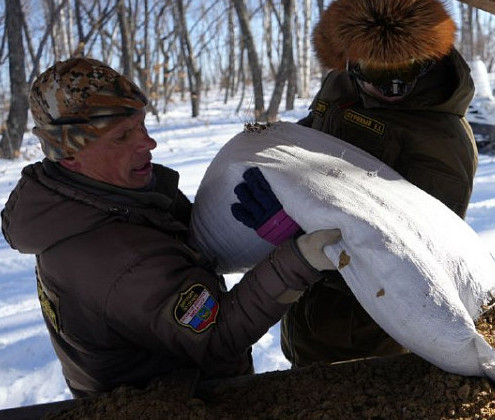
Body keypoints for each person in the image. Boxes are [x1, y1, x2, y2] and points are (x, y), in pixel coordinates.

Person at [0, 57, 340, 398]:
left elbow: (179, 254)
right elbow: (217, 336)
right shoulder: (114, 256)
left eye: (142, 124)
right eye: (122, 136)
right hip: (177, 405)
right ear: (70, 153)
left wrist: (259, 231)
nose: (148, 143)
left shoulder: (95, 200)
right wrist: (299, 260)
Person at [278, 0, 479, 368]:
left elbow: (417, 255)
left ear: (431, 58)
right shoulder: (341, 83)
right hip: (308, 310)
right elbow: (321, 125)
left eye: (407, 69)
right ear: (348, 62)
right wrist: (281, 156)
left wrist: (305, 254)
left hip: (367, 326)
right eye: (377, 71)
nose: (394, 86)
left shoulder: (442, 143)